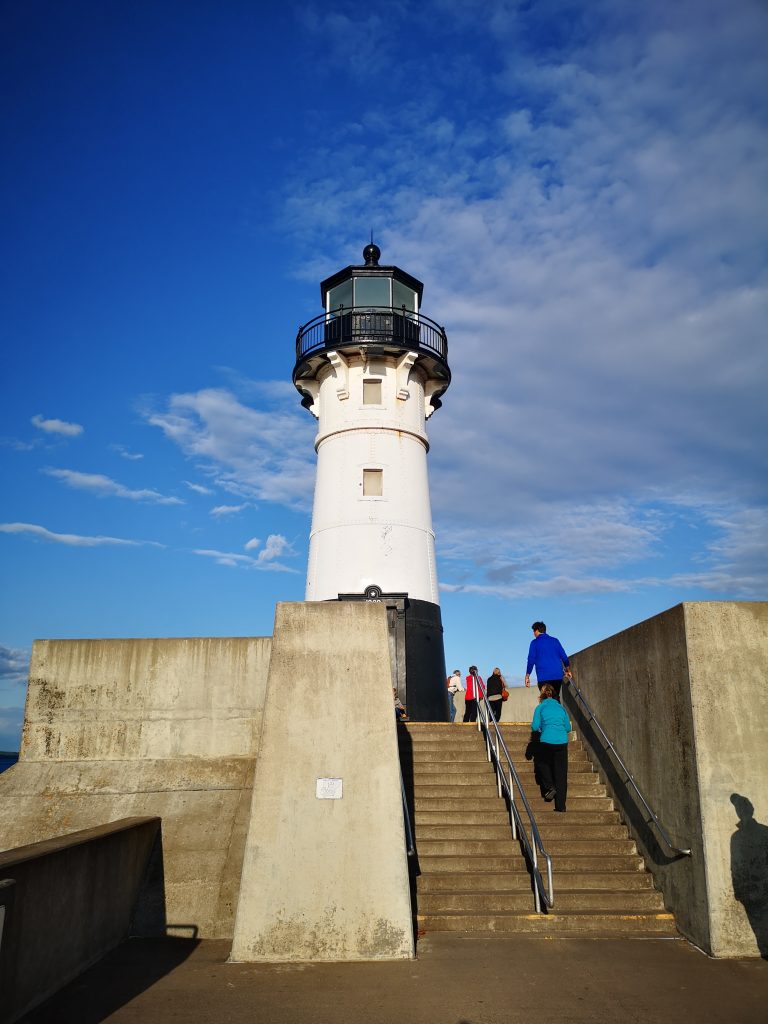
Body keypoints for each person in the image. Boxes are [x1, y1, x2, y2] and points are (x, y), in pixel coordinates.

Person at [531, 683, 571, 812]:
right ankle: (561, 806)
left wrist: (544, 727)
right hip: (562, 742)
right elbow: (568, 728)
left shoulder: (540, 707)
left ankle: (550, 786)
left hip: (546, 741)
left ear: (541, 695)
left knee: (542, 764)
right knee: (561, 774)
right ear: (553, 694)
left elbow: (534, 727)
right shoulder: (561, 708)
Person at [524, 621, 572, 700]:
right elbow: (564, 656)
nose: (533, 634)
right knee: (555, 699)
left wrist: (527, 675)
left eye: (533, 631)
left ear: (537, 631)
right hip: (557, 676)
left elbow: (531, 660)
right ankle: (557, 710)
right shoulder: (555, 641)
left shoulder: (534, 643)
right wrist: (568, 670)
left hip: (543, 677)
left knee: (545, 701)